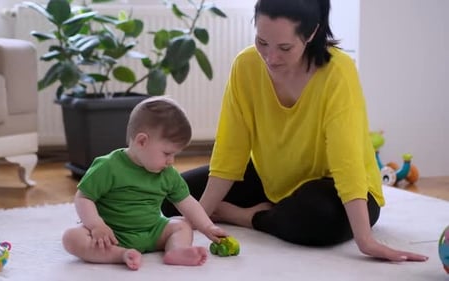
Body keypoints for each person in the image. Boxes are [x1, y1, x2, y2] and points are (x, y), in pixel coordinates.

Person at [162, 0, 428, 262]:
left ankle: (246, 216)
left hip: (337, 187)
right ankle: (266, 212)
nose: (270, 57)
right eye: (262, 42)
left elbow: (346, 162)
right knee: (167, 195)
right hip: (271, 178)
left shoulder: (338, 72)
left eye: (285, 47)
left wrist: (366, 241)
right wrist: (199, 217)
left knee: (316, 217)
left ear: (311, 33)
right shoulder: (245, 66)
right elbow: (231, 150)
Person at [62, 96, 227, 271]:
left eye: (174, 155)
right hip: (112, 234)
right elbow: (83, 197)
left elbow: (187, 202)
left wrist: (207, 226)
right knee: (72, 237)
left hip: (152, 232)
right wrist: (97, 226)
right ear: (142, 141)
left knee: (181, 225)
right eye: (167, 153)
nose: (171, 161)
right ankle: (118, 254)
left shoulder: (167, 173)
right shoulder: (108, 166)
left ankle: (177, 250)